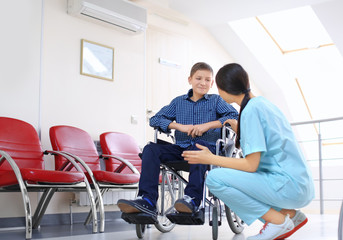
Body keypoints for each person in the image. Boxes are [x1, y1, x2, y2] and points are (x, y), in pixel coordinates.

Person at [182, 63, 315, 240]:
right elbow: (266, 147)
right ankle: (289, 214)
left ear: (223, 89)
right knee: (236, 180)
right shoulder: (262, 104)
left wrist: (211, 158)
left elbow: (251, 165)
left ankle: (277, 221)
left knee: (215, 179)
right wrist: (241, 131)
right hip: (299, 184)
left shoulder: (251, 110)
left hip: (287, 185)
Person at [117, 62, 238, 218]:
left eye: (207, 80)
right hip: (181, 149)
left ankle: (192, 200)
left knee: (198, 147)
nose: (203, 83)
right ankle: (147, 200)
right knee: (150, 149)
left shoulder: (216, 101)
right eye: (198, 78)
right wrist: (180, 127)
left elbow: (234, 116)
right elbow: (155, 119)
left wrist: (207, 125)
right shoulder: (178, 102)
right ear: (190, 79)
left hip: (207, 150)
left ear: (212, 83)